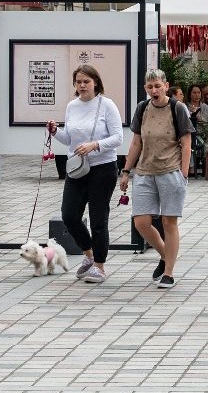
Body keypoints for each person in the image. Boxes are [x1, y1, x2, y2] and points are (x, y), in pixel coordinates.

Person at [45, 66, 123, 284]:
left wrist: (95, 145)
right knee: (69, 215)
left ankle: (99, 265)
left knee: (99, 218)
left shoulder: (106, 105)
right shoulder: (72, 106)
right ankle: (88, 255)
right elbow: (69, 139)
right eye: (78, 82)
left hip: (103, 168)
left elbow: (118, 138)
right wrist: (55, 132)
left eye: (86, 81)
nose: (82, 85)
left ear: (95, 82)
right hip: (77, 167)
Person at [122, 69, 193, 290]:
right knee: (141, 222)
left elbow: (186, 143)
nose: (154, 90)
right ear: (145, 88)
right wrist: (126, 171)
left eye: (158, 86)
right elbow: (136, 142)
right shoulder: (142, 109)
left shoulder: (177, 108)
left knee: (168, 222)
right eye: (150, 86)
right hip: (144, 172)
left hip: (170, 171)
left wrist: (183, 173)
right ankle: (166, 256)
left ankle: (169, 273)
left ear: (166, 85)